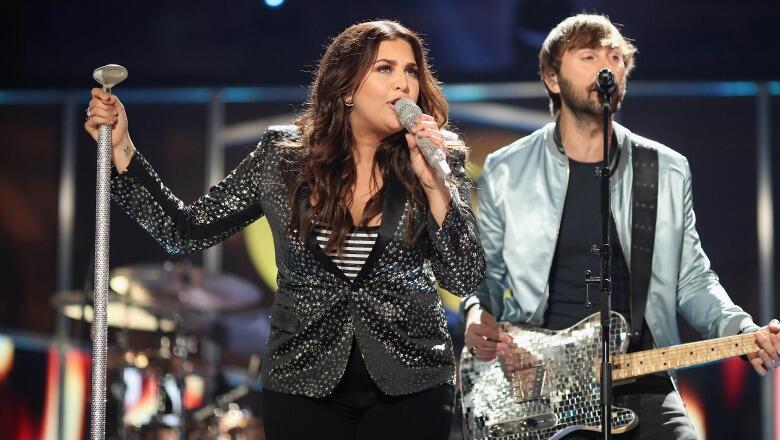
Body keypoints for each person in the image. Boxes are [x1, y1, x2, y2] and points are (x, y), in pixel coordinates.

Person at [85, 20, 485, 440]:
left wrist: (434, 185)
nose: (403, 84)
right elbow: (185, 230)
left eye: (410, 71)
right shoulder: (281, 160)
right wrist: (122, 149)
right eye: (385, 68)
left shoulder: (435, 160)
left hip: (412, 383)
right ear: (346, 88)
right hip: (303, 382)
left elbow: (464, 276)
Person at [461, 13, 779, 439]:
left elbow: (692, 279)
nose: (605, 66)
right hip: (540, 387)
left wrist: (742, 331)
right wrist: (476, 315)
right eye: (588, 56)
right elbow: (485, 277)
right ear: (551, 78)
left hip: (642, 375)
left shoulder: (664, 168)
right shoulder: (507, 169)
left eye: (615, 57)